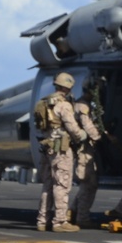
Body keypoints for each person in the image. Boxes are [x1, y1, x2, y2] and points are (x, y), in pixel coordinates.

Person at [34, 72, 87, 232]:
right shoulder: (64, 105)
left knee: (48, 185)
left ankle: (42, 220)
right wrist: (82, 135)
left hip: (47, 147)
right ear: (68, 88)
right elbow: (72, 127)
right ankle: (60, 222)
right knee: (62, 184)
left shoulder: (44, 102)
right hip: (61, 150)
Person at [69, 77, 105, 228]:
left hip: (86, 149)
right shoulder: (83, 106)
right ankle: (82, 218)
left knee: (87, 184)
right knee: (89, 184)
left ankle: (73, 212)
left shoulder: (85, 105)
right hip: (84, 150)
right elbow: (88, 127)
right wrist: (101, 137)